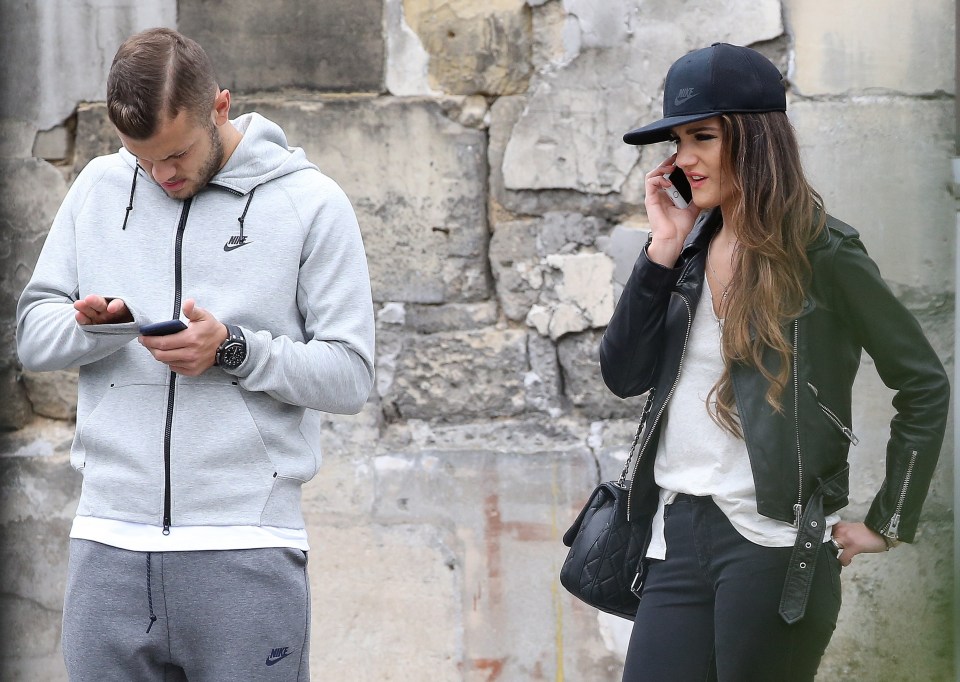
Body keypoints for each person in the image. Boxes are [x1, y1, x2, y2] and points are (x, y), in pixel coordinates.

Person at [16, 28, 375, 681]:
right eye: (141, 159)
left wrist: (234, 349)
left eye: (175, 154)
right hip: (107, 546)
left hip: (247, 550)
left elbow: (350, 375)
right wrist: (96, 328)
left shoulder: (310, 203)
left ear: (221, 107)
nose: (161, 175)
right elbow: (34, 336)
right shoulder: (99, 188)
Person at [600, 43, 949, 681]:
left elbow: (922, 383)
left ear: (755, 140)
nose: (684, 159)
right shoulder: (685, 252)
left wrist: (887, 520)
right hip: (677, 534)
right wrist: (660, 251)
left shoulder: (826, 253)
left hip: (774, 548)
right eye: (678, 142)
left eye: (702, 137)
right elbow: (622, 376)